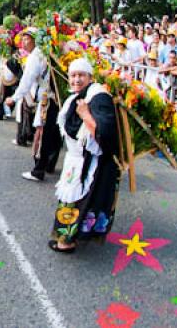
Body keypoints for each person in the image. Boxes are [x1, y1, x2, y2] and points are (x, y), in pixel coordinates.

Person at [49, 58, 119, 253]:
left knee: (77, 202)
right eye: (73, 75)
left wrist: (86, 115)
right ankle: (68, 238)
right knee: (71, 200)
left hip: (91, 164)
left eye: (81, 75)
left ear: (90, 77)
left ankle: (67, 240)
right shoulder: (77, 96)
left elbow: (105, 133)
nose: (76, 79)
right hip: (76, 160)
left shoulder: (98, 97)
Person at [6, 28, 61, 181]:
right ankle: (49, 164)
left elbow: (27, 79)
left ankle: (39, 170)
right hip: (56, 98)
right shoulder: (47, 52)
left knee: (42, 132)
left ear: (35, 40)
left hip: (47, 98)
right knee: (55, 133)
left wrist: (14, 98)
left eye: (26, 38)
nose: (23, 42)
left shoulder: (36, 55)